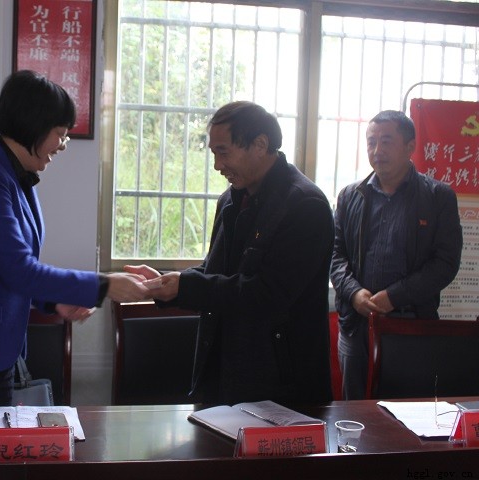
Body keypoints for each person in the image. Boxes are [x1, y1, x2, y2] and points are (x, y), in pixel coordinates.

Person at [0, 70, 149, 408]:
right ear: (34, 124)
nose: (63, 145)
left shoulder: (13, 176)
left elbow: (7, 271)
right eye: (60, 134)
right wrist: (104, 285)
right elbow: (19, 269)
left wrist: (53, 302)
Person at [126, 101, 335, 406]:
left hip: (280, 386)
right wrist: (166, 283)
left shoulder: (304, 205)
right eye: (214, 154)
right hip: (222, 372)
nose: (217, 165)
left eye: (223, 152)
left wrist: (185, 287)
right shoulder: (232, 199)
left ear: (260, 145)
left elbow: (266, 294)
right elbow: (217, 273)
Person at [330, 110, 463, 400]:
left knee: (405, 412)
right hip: (356, 324)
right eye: (371, 142)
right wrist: (354, 293)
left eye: (386, 141)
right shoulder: (350, 196)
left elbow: (445, 263)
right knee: (354, 411)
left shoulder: (438, 197)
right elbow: (336, 255)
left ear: (410, 146)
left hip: (411, 325)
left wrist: (395, 296)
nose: (377, 150)